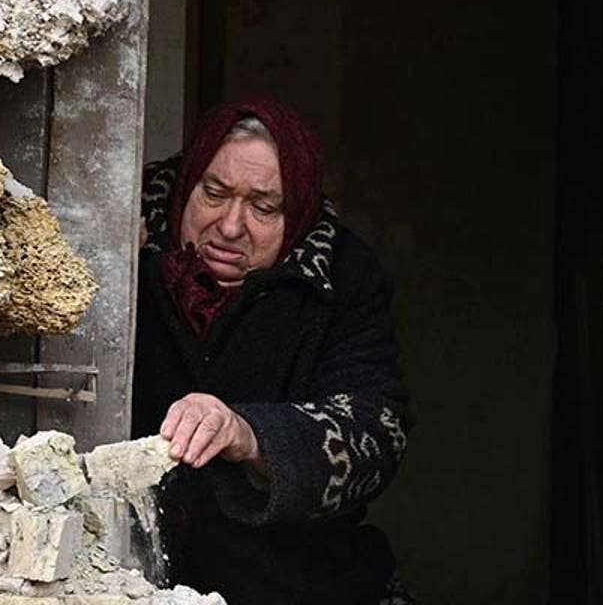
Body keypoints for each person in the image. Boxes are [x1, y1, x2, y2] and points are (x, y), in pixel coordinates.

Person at [132, 96, 413, 605]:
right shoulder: (126, 236)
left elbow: (377, 433)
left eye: (264, 208)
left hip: (295, 582)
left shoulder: (342, 277)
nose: (231, 225)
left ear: (298, 207)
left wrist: (251, 435)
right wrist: (102, 265)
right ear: (188, 182)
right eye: (214, 194)